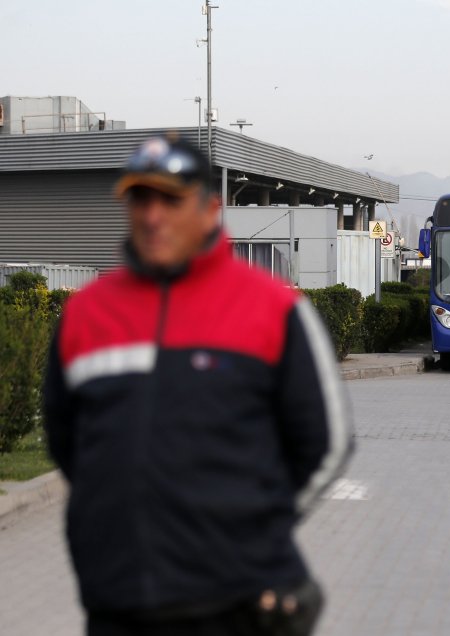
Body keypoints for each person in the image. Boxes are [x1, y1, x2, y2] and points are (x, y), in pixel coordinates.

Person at [42, 134, 353, 634]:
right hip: (116, 604)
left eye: (170, 200)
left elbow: (326, 443)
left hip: (234, 608)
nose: (152, 217)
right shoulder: (85, 312)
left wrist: (253, 530)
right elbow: (67, 442)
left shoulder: (275, 309)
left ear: (210, 209)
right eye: (140, 200)